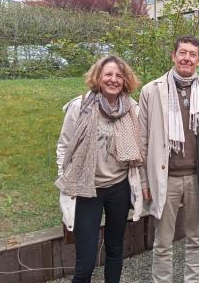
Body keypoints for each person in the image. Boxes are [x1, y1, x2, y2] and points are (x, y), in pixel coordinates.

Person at [139, 35, 199, 283]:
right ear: (173, 56)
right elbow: (142, 139)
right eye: (182, 53)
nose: (187, 58)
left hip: (198, 178)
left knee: (196, 239)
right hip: (166, 178)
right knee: (163, 241)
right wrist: (144, 181)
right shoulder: (151, 91)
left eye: (192, 54)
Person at [55, 56, 143, 283]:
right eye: (108, 74)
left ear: (125, 80)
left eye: (118, 76)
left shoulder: (132, 109)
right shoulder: (80, 106)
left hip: (119, 188)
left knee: (115, 250)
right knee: (85, 260)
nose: (113, 80)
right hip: (87, 190)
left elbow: (141, 146)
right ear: (98, 77)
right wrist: (64, 178)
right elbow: (64, 146)